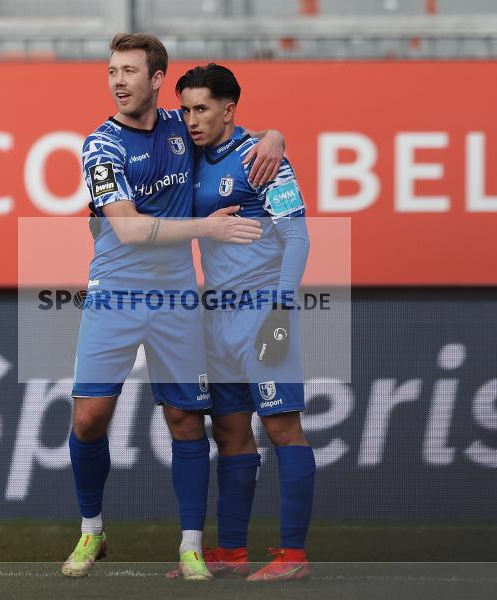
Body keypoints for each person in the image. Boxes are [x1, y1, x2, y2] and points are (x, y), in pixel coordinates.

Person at [62, 33, 285, 581]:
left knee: (186, 420)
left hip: (177, 298)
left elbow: (234, 137)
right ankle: (92, 530)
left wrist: (275, 137)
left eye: (129, 71)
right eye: (112, 71)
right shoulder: (100, 146)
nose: (117, 81)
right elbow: (130, 229)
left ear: (157, 78)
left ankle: (189, 545)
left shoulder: (181, 128)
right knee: (90, 418)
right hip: (114, 293)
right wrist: (207, 228)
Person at [177, 63, 315, 581]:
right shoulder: (187, 154)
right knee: (230, 432)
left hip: (263, 311)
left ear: (229, 109)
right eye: (186, 109)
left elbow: (298, 237)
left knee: (282, 427)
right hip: (216, 319)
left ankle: (293, 556)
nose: (192, 119)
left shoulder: (263, 158)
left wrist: (280, 309)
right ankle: (233, 551)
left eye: (202, 109)